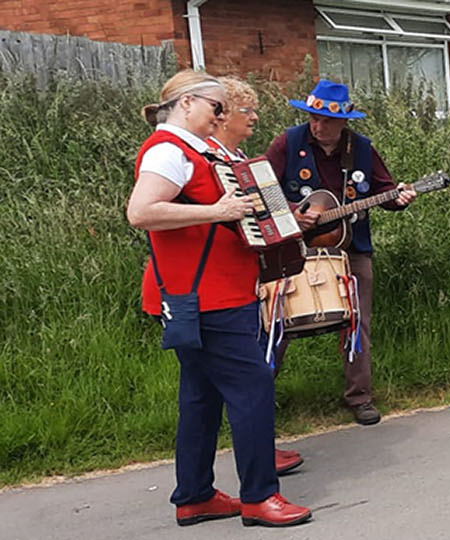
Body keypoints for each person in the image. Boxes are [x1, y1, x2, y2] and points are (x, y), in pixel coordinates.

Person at [127, 70, 310, 527]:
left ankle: (195, 495)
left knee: (201, 397)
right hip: (205, 297)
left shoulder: (200, 151)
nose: (222, 117)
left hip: (212, 293)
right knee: (252, 388)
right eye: (216, 108)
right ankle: (259, 497)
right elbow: (142, 211)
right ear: (187, 103)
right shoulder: (169, 150)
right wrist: (220, 210)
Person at [263, 80, 418, 424]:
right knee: (276, 320)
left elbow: (385, 191)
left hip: (351, 248)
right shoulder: (288, 142)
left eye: (326, 120)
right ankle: (259, 395)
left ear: (345, 121)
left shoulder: (361, 148)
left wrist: (400, 199)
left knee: (358, 320)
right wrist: (294, 212)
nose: (318, 126)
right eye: (313, 118)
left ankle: (360, 397)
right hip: (293, 246)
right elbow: (261, 189)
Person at [205, 76, 303, 474]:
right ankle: (258, 476)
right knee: (252, 377)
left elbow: (261, 213)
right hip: (214, 287)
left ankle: (257, 450)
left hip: (242, 279)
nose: (256, 118)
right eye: (248, 111)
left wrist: (287, 219)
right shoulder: (206, 160)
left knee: (243, 375)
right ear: (222, 115)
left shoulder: (238, 157)